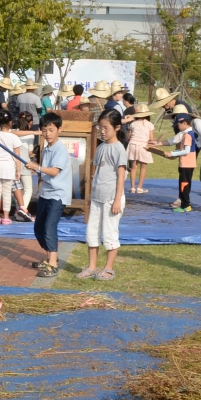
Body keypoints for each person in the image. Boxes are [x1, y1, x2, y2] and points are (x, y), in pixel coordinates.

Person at [23, 112, 73, 277]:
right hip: (46, 193)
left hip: (58, 194)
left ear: (59, 129)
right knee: (39, 227)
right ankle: (50, 257)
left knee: (49, 226)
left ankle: (53, 263)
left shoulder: (60, 150)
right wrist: (38, 175)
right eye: (44, 130)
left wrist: (36, 167)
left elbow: (54, 171)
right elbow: (44, 173)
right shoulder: (46, 149)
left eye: (51, 130)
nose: (47, 134)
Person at [81, 110, 128, 281]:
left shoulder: (119, 149)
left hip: (111, 199)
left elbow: (121, 176)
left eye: (106, 128)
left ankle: (108, 268)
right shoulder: (100, 147)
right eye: (100, 127)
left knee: (109, 233)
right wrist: (90, 195)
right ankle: (92, 267)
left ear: (117, 128)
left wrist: (117, 200)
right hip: (97, 197)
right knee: (92, 233)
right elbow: (96, 174)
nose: (102, 131)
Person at [0, 110, 22, 225]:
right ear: (11, 122)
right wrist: (19, 171)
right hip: (9, 168)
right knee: (7, 193)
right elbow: (17, 157)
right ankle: (6, 217)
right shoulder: (14, 137)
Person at [167, 112, 196, 212]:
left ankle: (185, 205)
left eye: (178, 124)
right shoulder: (188, 134)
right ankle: (184, 204)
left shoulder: (187, 135)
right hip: (187, 163)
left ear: (184, 123)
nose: (177, 127)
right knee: (184, 184)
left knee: (184, 185)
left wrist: (172, 154)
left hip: (187, 164)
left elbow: (187, 151)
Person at [124, 102, 155, 193]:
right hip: (143, 146)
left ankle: (133, 187)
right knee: (143, 167)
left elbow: (129, 137)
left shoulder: (133, 124)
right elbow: (151, 139)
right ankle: (140, 187)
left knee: (133, 167)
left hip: (133, 145)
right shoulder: (149, 124)